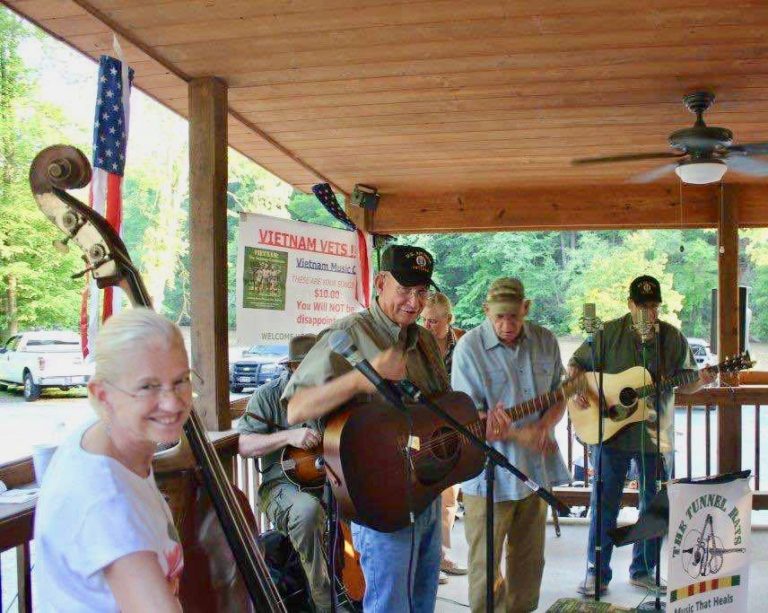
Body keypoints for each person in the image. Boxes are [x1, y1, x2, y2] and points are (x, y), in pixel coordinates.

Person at [284, 244, 449, 613]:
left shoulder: (423, 342)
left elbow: (438, 411)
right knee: (389, 605)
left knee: (422, 603)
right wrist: (361, 380)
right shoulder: (348, 334)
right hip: (379, 500)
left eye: (421, 292)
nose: (413, 302)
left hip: (426, 491)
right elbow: (296, 408)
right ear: (379, 283)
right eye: (404, 290)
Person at [34, 308, 191, 612]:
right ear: (102, 394)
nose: (173, 402)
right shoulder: (105, 502)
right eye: (148, 386)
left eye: (181, 380)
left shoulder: (110, 440)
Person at [570, 275, 715, 597]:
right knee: (604, 504)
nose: (649, 313)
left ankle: (644, 570)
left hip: (655, 437)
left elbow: (687, 382)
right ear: (630, 305)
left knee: (655, 507)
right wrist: (580, 388)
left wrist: (702, 380)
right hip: (610, 434)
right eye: (642, 306)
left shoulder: (672, 338)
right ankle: (597, 573)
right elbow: (576, 364)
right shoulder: (607, 333)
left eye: (654, 307)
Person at [452, 277, 570, 613]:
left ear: (526, 309)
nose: (507, 325)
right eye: (499, 317)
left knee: (529, 564)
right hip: (487, 477)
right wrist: (520, 435)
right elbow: (469, 421)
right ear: (486, 311)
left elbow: (559, 394)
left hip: (535, 473)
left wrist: (545, 426)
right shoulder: (469, 349)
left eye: (514, 317)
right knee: (485, 567)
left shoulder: (545, 340)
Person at [237, 333, 339, 613]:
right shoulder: (267, 396)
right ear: (293, 368)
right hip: (280, 486)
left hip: (329, 479)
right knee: (307, 514)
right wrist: (288, 437)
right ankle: (324, 603)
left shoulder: (329, 396)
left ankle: (359, 587)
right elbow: (244, 445)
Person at [421, 292, 468, 583]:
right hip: (423, 428)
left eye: (434, 321)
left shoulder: (465, 342)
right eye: (425, 320)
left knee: (449, 495)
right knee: (426, 491)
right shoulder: (413, 341)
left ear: (449, 320)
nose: (428, 326)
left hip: (455, 428)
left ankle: (440, 556)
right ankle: (430, 559)